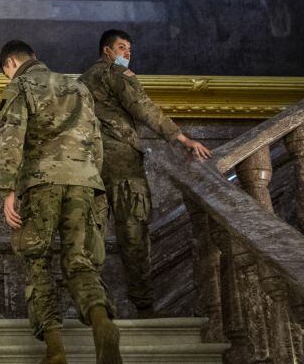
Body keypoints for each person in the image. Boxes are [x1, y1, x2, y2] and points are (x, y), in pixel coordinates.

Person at [0, 40, 121, 364]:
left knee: (36, 259)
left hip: (41, 182)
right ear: (35, 57)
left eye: (6, 72)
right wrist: (92, 180)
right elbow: (96, 140)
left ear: (11, 63)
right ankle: (101, 322)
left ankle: (55, 350)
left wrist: (8, 190)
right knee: (79, 260)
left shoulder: (20, 85)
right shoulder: (78, 86)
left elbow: (11, 139)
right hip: (83, 180)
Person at [77, 29, 211, 318]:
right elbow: (143, 108)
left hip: (88, 167)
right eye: (121, 47)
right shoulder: (116, 73)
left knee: (91, 236)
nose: (127, 53)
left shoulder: (81, 82)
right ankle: (144, 307)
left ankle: (93, 307)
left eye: (129, 49)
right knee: (134, 233)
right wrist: (182, 138)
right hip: (123, 166)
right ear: (107, 51)